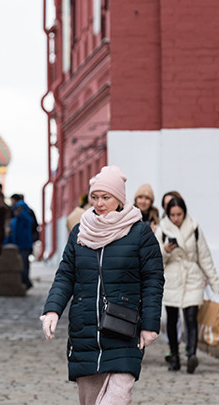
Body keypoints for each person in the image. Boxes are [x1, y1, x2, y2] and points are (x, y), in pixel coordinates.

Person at [41, 165, 163, 404]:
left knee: (116, 398)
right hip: (85, 331)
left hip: (124, 329)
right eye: (95, 197)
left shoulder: (139, 233)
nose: (99, 203)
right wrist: (52, 310)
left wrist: (150, 325)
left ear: (119, 198)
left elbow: (153, 281)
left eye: (106, 197)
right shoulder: (80, 232)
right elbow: (65, 275)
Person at [155, 195, 218, 374]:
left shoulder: (194, 227)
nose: (176, 218)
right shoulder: (162, 229)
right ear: (168, 214)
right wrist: (165, 251)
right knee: (172, 319)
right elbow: (154, 258)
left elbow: (204, 257)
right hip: (172, 278)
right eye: (173, 215)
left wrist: (215, 284)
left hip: (192, 278)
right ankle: (174, 356)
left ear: (184, 212)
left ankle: (191, 355)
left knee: (191, 318)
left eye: (179, 214)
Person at [4, 194, 36, 289]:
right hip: (16, 246)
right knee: (18, 266)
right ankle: (22, 282)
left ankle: (26, 283)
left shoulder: (26, 219)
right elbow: (10, 234)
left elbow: (30, 222)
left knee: (24, 266)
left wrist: (22, 213)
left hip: (24, 246)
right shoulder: (14, 221)